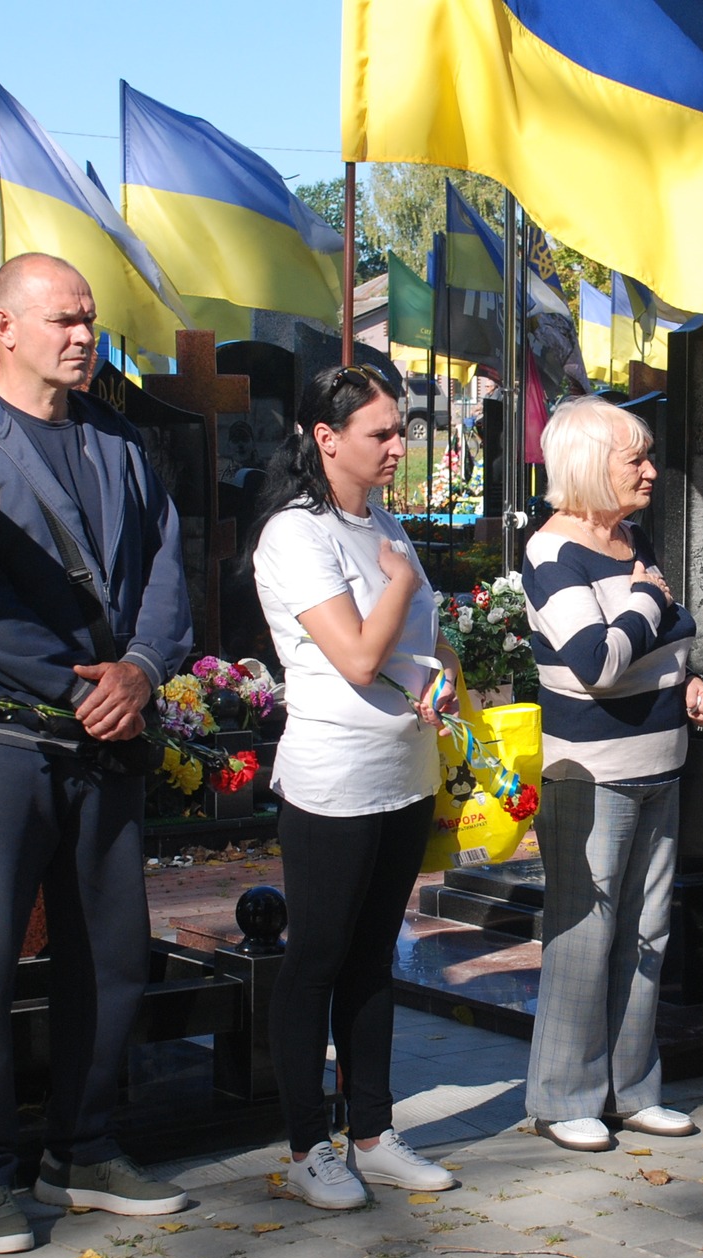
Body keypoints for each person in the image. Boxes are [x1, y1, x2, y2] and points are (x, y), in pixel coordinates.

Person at [0, 253, 195, 1253]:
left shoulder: (120, 443)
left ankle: (83, 1147)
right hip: (2, 738)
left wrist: (141, 671)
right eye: (63, 320)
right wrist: (80, 687)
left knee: (110, 956)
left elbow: (167, 567)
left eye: (89, 319)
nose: (83, 336)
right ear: (4, 328)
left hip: (108, 736)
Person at [251, 364, 462, 1209]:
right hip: (335, 779)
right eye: (381, 432)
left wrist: (448, 678)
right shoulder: (296, 534)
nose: (399, 445)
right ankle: (308, 1145)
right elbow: (360, 656)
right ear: (326, 438)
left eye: (401, 429)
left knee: (375, 958)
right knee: (318, 958)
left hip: (404, 771)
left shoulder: (383, 523)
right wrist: (400, 580)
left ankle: (372, 1132)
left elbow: (427, 641)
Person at [520, 397, 703, 1152]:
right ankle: (563, 1096)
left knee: (647, 933)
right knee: (584, 935)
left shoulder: (630, 538)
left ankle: (632, 1091)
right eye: (634, 458)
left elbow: (671, 632)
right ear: (585, 465)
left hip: (662, 759)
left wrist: (683, 678)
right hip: (591, 774)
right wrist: (646, 602)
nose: (650, 470)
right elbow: (596, 662)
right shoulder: (552, 553)